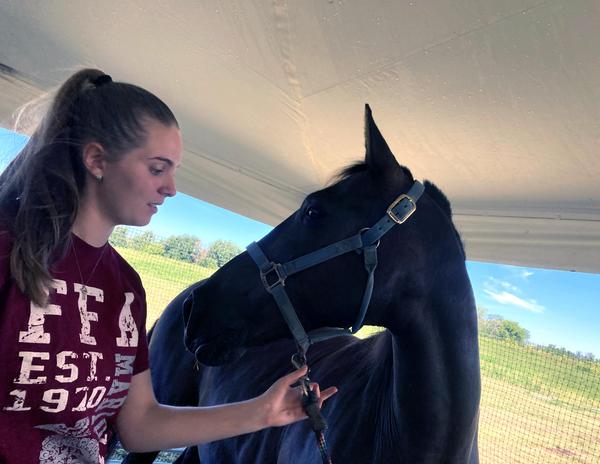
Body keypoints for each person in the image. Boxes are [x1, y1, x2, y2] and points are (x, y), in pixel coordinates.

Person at [0, 68, 337, 463]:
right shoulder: (8, 252)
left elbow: (139, 424)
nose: (171, 188)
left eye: (173, 171)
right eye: (157, 168)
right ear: (96, 160)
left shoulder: (125, 288)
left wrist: (261, 411)